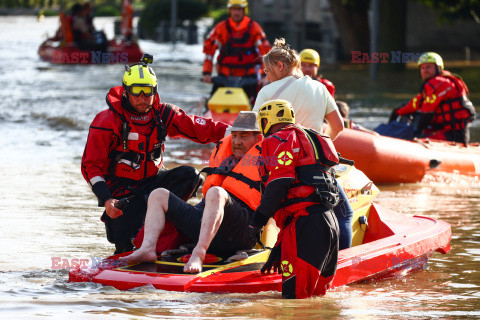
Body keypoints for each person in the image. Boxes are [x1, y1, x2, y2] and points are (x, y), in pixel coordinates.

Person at [81, 55, 229, 254]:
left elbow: (200, 128)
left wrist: (239, 133)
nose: (142, 99)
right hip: (123, 194)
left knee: (190, 175)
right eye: (136, 93)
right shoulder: (107, 121)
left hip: (154, 184)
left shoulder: (163, 114)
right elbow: (91, 166)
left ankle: (166, 230)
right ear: (125, 92)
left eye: (148, 92)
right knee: (123, 241)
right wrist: (107, 199)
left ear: (155, 90)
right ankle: (137, 238)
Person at [121, 111, 263, 273]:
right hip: (206, 223)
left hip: (241, 231)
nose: (237, 141)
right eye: (235, 136)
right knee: (158, 194)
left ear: (258, 139)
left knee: (216, 192)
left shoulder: (268, 162)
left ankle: (199, 253)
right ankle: (147, 249)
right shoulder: (226, 159)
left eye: (243, 137)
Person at [252, 38, 353, 250]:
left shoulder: (267, 93)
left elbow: (254, 133)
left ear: (280, 66)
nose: (266, 76)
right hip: (315, 170)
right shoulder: (319, 88)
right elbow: (338, 126)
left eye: (267, 71)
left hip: (280, 169)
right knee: (344, 214)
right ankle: (341, 259)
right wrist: (318, 147)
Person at [249, 99, 340, 299]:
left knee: (295, 301)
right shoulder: (315, 138)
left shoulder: (276, 140)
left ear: (267, 121)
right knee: (318, 299)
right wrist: (279, 248)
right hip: (330, 223)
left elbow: (279, 184)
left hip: (305, 226)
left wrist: (256, 223)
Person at [391, 52, 475, 144]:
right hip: (447, 133)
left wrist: (416, 133)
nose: (425, 70)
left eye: (429, 67)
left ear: (438, 68)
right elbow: (416, 103)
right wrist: (397, 111)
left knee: (412, 138)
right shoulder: (436, 84)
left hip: (452, 135)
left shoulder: (439, 83)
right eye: (422, 68)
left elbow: (427, 114)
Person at [202, 0, 271, 103]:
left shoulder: (254, 27)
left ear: (244, 10)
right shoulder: (221, 27)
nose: (236, 12)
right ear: (230, 10)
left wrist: (265, 76)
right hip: (224, 75)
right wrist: (207, 73)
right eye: (234, 9)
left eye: (239, 9)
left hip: (248, 76)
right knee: (212, 103)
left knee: (255, 103)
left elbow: (265, 52)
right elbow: (209, 50)